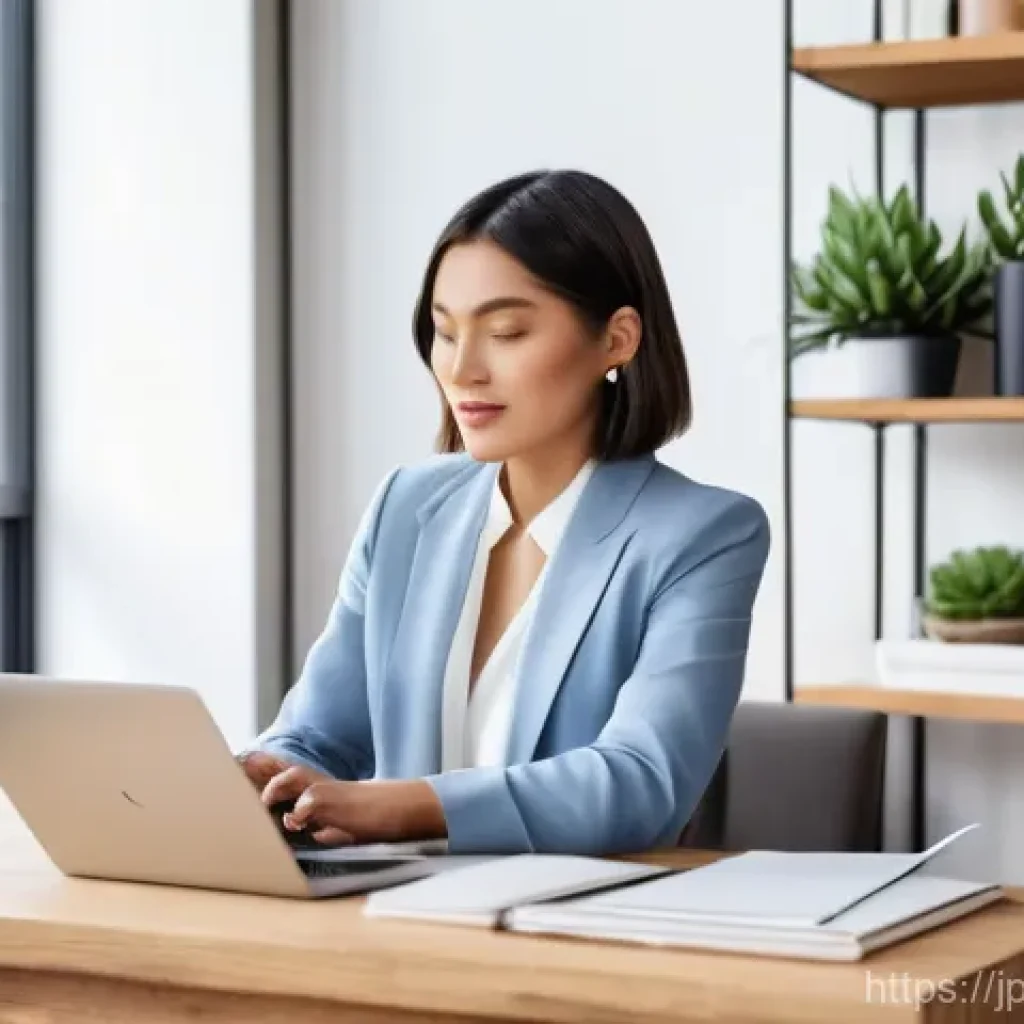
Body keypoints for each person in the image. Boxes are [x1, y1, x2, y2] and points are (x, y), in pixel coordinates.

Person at [240, 168, 771, 855]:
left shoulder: (702, 535)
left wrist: (403, 807)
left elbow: (643, 783)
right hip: (390, 921)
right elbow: (317, 736)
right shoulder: (405, 507)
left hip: (572, 933)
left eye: (508, 331)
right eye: (444, 332)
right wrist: (261, 774)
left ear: (617, 339)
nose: (462, 370)